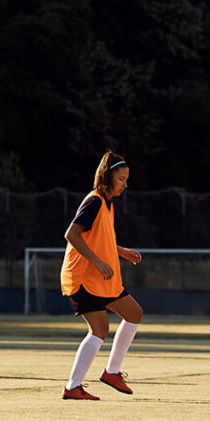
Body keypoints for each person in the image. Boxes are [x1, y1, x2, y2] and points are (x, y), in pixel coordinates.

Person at [60, 150, 144, 400]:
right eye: (122, 179)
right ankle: (72, 387)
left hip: (101, 279)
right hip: (83, 277)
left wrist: (122, 252)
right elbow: (72, 235)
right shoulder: (95, 200)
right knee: (100, 328)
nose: (125, 184)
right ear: (108, 177)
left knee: (134, 313)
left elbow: (99, 239)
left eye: (126, 179)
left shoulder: (108, 205)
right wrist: (97, 262)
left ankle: (111, 372)